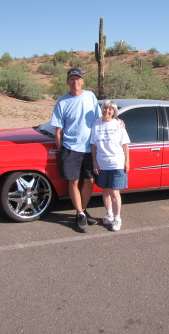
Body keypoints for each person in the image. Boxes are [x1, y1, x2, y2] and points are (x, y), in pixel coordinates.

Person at [50, 68, 101, 233]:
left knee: (89, 181)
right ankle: (79, 214)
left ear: (83, 81)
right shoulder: (62, 102)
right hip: (70, 148)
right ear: (68, 82)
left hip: (89, 148)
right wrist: (61, 149)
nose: (75, 82)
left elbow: (100, 119)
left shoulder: (90, 96)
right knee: (73, 182)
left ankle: (83, 210)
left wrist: (118, 120)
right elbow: (58, 131)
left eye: (78, 79)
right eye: (72, 79)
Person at [91, 100, 130, 231]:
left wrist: (127, 162)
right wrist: (95, 162)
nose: (107, 111)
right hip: (102, 164)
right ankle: (109, 214)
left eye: (110, 109)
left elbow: (125, 145)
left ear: (114, 112)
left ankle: (118, 218)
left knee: (114, 192)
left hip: (116, 163)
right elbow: (93, 146)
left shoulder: (118, 125)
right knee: (105, 191)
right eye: (105, 108)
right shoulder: (96, 125)